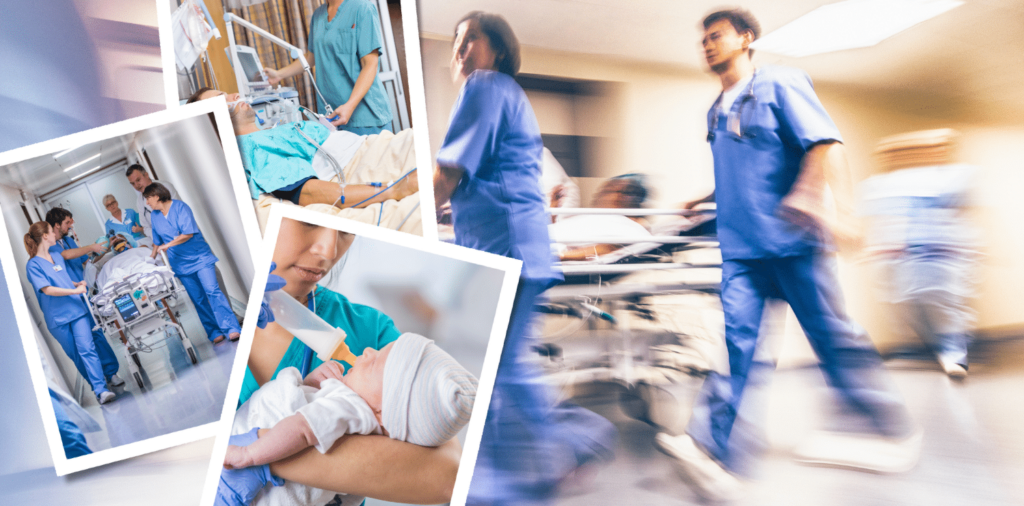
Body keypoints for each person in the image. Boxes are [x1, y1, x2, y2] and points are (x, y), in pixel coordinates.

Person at [655, 9, 919, 501]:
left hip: (793, 242)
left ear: (746, 39)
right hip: (742, 253)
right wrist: (704, 201)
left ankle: (889, 430)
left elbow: (824, 143)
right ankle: (716, 450)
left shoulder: (778, 83)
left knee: (833, 339)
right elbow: (744, 171)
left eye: (716, 36)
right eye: (703, 39)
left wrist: (815, 196)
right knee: (738, 348)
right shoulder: (715, 112)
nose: (707, 45)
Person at [433, 12, 616, 505]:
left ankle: (558, 453)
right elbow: (483, 180)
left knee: (499, 368)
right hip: (510, 249)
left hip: (507, 250)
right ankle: (564, 450)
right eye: (456, 42)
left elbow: (448, 173)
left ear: (498, 49)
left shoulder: (486, 86)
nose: (461, 49)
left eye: (471, 38)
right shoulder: (505, 96)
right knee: (499, 366)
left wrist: (416, 210)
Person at [216, 218, 460, 506]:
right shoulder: (219, 326)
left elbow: (446, 476)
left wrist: (254, 455)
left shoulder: (372, 332)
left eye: (346, 231)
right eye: (309, 222)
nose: (329, 250)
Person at [224, 333, 476, 506]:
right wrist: (312, 385)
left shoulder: (351, 406)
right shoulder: (360, 419)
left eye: (375, 362)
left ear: (384, 411)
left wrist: (249, 454)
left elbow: (302, 428)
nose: (367, 351)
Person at [860, 129, 978, 378]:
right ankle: (936, 346)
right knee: (906, 304)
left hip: (943, 253)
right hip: (903, 257)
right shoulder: (884, 184)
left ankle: (954, 354)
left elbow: (962, 212)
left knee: (946, 305)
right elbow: (880, 220)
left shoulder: (956, 176)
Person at [187, 87, 417, 209]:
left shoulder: (265, 135)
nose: (234, 95)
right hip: (363, 163)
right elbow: (308, 192)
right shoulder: (252, 149)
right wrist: (391, 190)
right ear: (214, 122)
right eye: (222, 98)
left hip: (373, 146)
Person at [263, 0, 393, 135]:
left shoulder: (363, 8)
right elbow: (312, 56)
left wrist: (349, 106)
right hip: (333, 117)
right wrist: (278, 74)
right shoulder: (318, 16)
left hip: (365, 115)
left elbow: (370, 65)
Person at [24, 222, 119, 404]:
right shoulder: (33, 265)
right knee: (76, 355)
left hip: (77, 310)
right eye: (51, 232)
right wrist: (75, 291)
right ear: (45, 236)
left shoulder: (56, 256)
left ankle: (101, 390)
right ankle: (96, 385)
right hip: (57, 319)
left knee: (87, 349)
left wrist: (77, 284)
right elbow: (48, 289)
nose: (55, 235)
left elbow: (63, 279)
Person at [144, 183, 241, 344]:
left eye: (148, 198)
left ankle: (231, 328)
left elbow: (188, 233)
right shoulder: (155, 215)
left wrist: (168, 245)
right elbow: (157, 239)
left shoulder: (181, 207)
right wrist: (152, 257)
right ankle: (214, 331)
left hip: (199, 257)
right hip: (180, 264)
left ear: (157, 195)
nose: (147, 202)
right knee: (198, 299)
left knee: (212, 290)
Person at [552, 174, 652, 261]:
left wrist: (561, 256)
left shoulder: (628, 226)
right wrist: (553, 209)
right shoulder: (597, 218)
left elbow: (607, 249)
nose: (597, 195)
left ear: (620, 197)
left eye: (607, 190)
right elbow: (555, 231)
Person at [126, 163, 180, 241]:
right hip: (165, 242)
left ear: (146, 175)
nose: (137, 185)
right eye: (133, 183)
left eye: (138, 180)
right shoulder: (140, 201)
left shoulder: (165, 187)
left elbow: (178, 213)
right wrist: (159, 239)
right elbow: (146, 227)